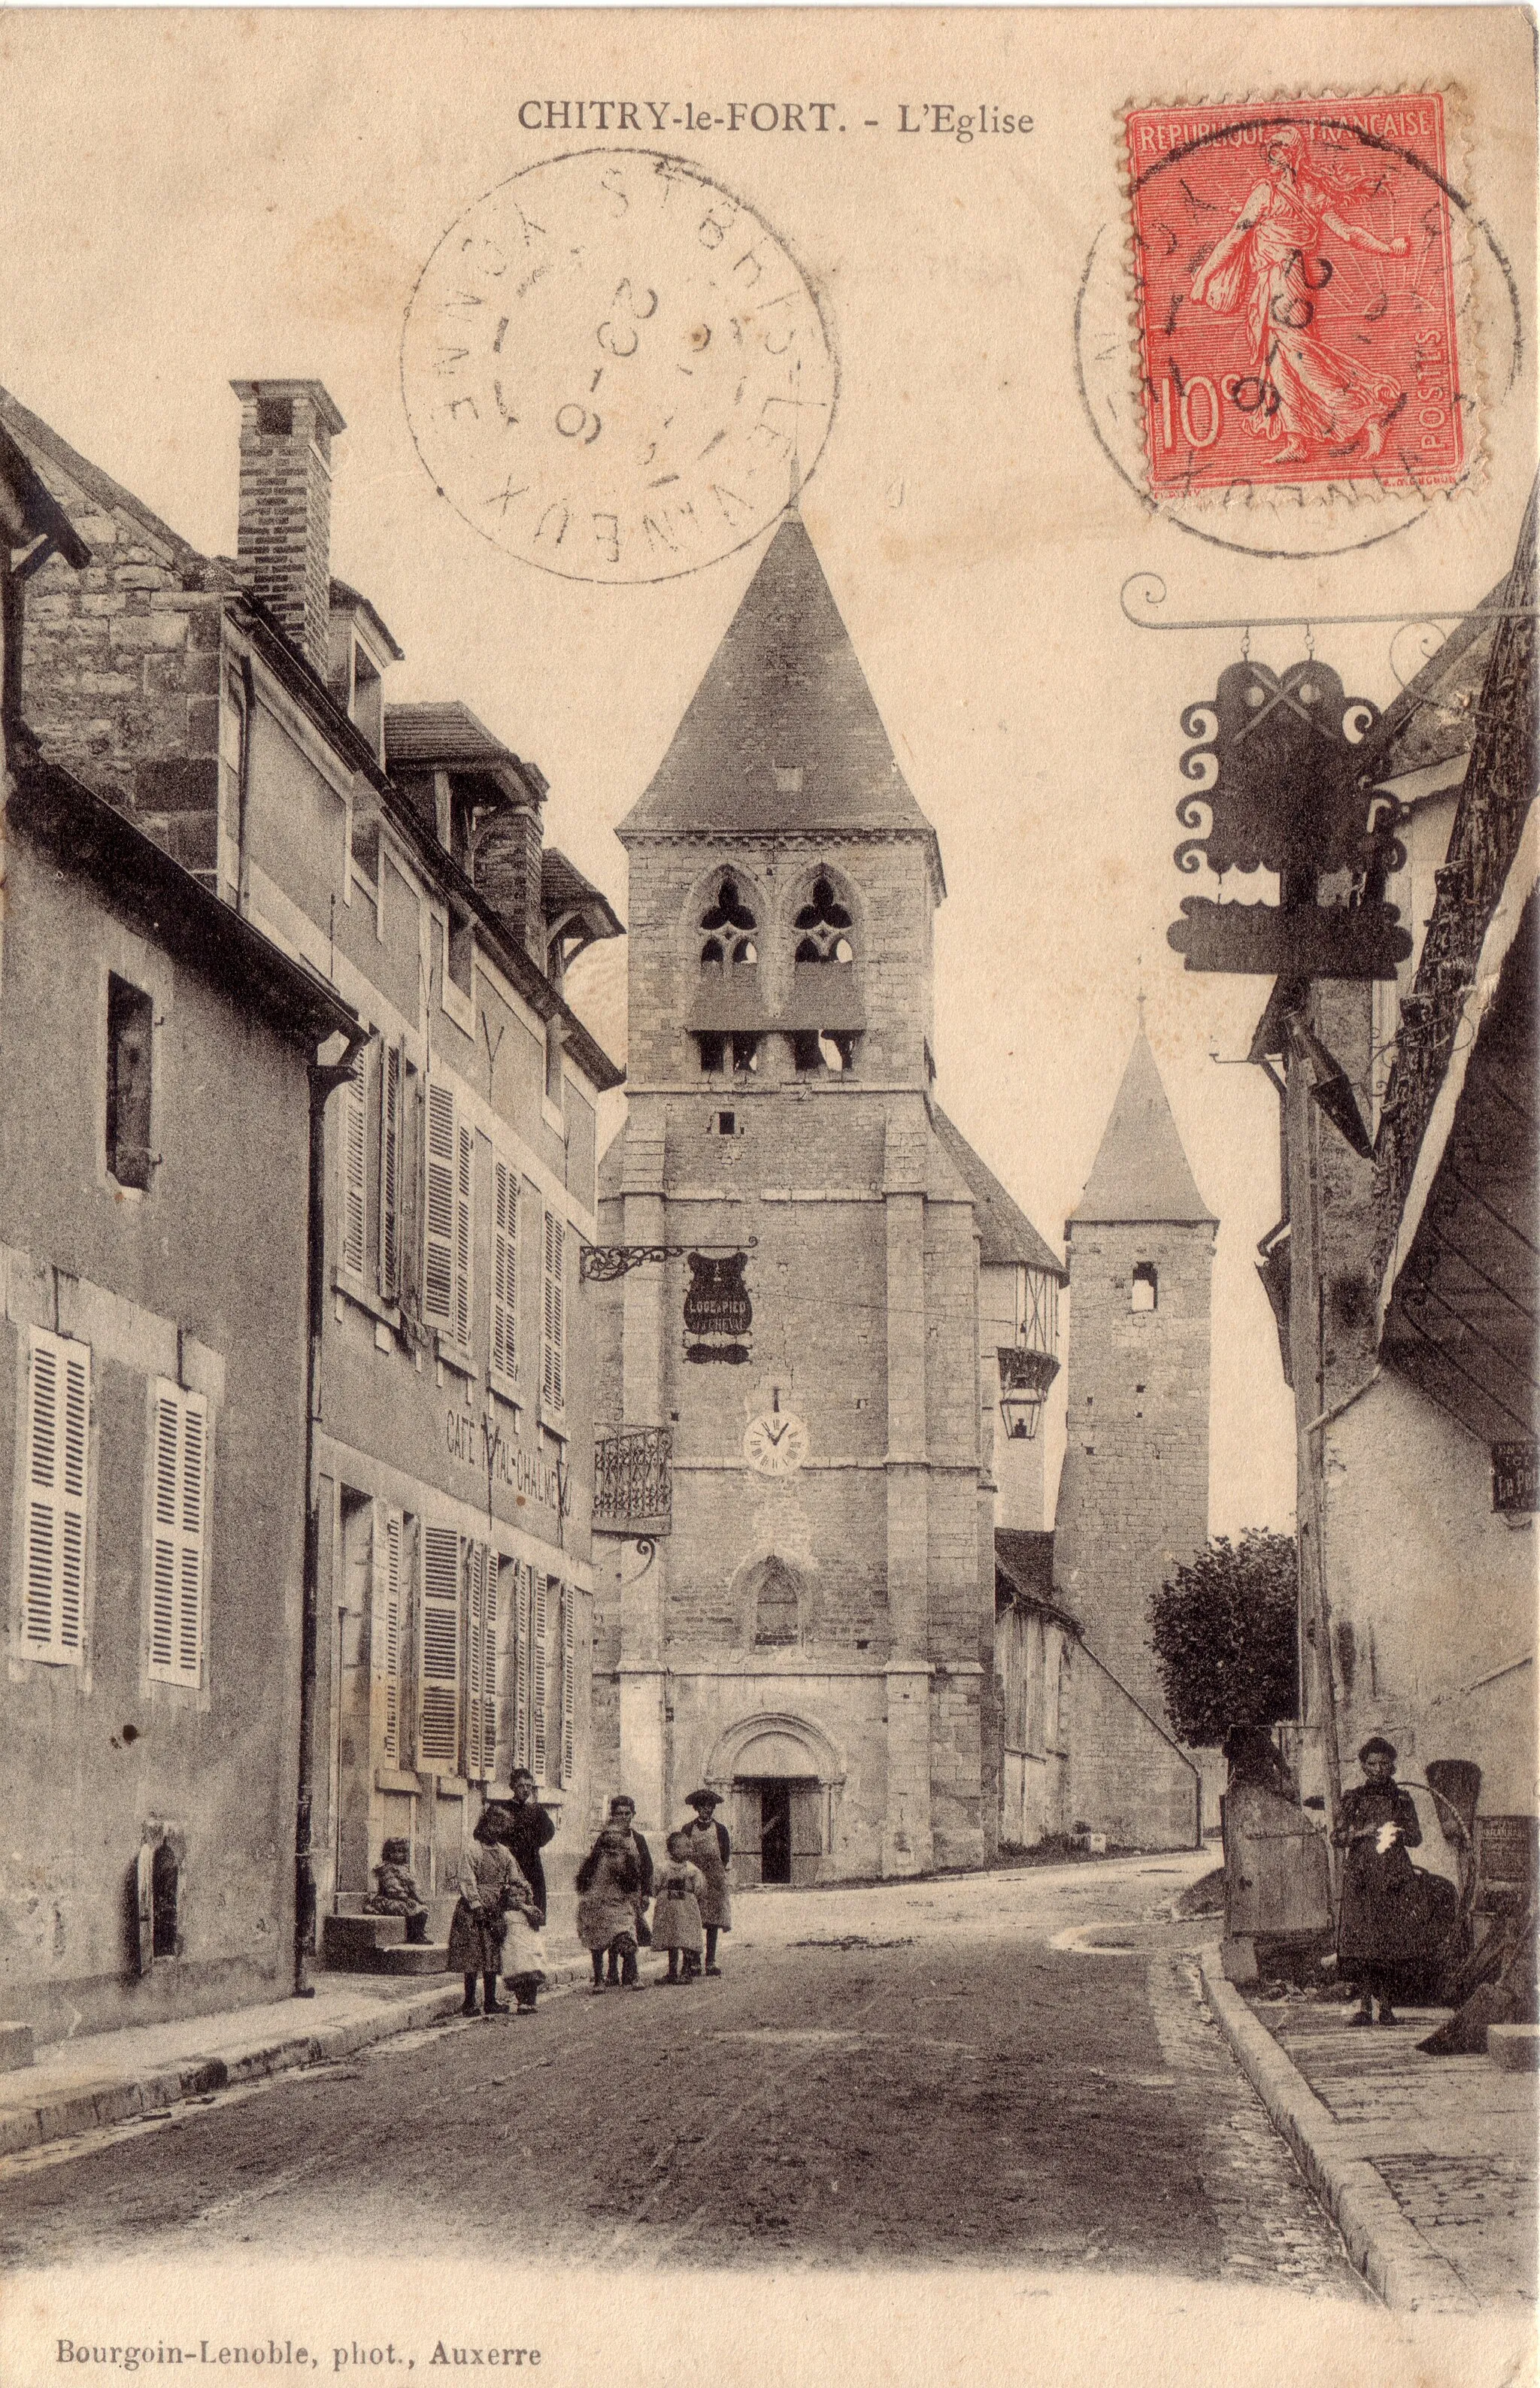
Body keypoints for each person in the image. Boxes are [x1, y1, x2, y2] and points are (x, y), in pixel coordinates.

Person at [1190, 124, 1411, 466]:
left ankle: (1369, 413)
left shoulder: (1276, 193)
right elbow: (1348, 233)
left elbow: (1237, 238)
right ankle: (1297, 440)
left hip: (1285, 283)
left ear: (1291, 154)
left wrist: (1204, 277)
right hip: (1282, 284)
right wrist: (1389, 248)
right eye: (1271, 150)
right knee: (1281, 363)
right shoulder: (1297, 193)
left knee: (1301, 362)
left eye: (1278, 149)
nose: (1272, 155)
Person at [1332, 1737, 1425, 2026]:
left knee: (1389, 1944)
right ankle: (1364, 2008)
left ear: (1393, 1767)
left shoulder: (1402, 1799)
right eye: (1373, 1764)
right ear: (1363, 1766)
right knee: (1362, 1945)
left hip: (1393, 1879)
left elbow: (1417, 1838)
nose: (1379, 1769)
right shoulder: (1353, 1799)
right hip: (1361, 1878)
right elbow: (1337, 1837)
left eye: (1385, 1764)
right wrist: (1361, 1833)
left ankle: (1386, 2008)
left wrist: (1398, 1833)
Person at [447, 1805, 530, 2018]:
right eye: (492, 1825)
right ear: (484, 1825)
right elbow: (467, 1879)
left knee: (492, 1956)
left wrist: (520, 1891)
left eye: (500, 1827)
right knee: (472, 1955)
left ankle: (491, 2001)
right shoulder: (472, 1850)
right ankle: (469, 2002)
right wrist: (476, 1905)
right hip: (473, 1911)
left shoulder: (504, 1853)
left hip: (496, 1908)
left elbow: (515, 1877)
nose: (495, 1831)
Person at [496, 1771, 556, 2015]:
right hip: (509, 1869)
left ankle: (529, 1996)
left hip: (532, 1869)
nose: (525, 1790)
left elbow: (549, 1832)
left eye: (529, 1786)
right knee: (513, 1936)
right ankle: (521, 1993)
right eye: (520, 1785)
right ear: (512, 1786)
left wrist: (533, 1842)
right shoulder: (503, 1810)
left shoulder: (537, 1812)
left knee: (531, 1934)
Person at [575, 1823, 644, 1992]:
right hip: (597, 1906)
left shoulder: (627, 1859)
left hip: (618, 1905)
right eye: (609, 1834)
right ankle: (599, 1980)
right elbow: (582, 1882)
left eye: (616, 1834)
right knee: (597, 1943)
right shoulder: (594, 1859)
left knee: (626, 1937)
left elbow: (632, 1884)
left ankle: (634, 1976)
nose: (612, 1838)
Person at [679, 1788, 732, 1975]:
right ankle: (694, 1961)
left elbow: (725, 1856)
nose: (707, 1810)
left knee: (713, 1923)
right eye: (703, 1807)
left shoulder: (720, 1830)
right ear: (697, 1808)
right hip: (694, 1881)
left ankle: (710, 1961)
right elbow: (681, 1854)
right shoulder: (687, 1829)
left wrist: (714, 1873)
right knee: (693, 1920)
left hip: (715, 1881)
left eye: (710, 1807)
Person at [605, 1794, 654, 1980]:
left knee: (630, 1930)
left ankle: (630, 1971)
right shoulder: (606, 1838)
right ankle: (611, 1972)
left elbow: (648, 1867)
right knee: (611, 1932)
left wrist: (646, 1894)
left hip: (633, 1893)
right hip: (611, 1893)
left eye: (628, 1813)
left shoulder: (639, 1839)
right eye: (619, 1814)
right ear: (613, 1815)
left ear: (633, 1815)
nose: (624, 1817)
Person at [652, 1831, 707, 1985]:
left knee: (687, 1939)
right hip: (669, 1910)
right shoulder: (662, 1868)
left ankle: (686, 1970)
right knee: (672, 1938)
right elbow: (655, 1886)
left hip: (686, 1910)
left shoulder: (692, 1870)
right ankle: (672, 1972)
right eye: (683, 1847)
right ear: (672, 1850)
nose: (688, 1850)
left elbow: (699, 1889)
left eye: (688, 1847)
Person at [363, 1837, 429, 1946]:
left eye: (400, 1852)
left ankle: (419, 1934)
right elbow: (392, 1888)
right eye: (393, 1852)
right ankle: (414, 1936)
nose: (397, 1854)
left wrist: (417, 1898)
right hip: (386, 1899)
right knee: (411, 1908)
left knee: (422, 1908)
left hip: (403, 1899)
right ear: (388, 1853)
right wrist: (406, 1899)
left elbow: (413, 1887)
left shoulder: (405, 1868)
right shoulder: (385, 1868)